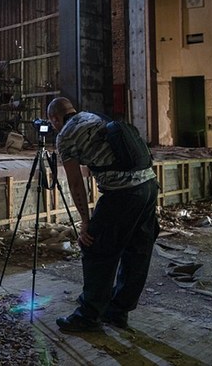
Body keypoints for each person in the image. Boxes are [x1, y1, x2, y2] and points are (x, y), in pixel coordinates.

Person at [46, 96, 159, 331]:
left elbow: (76, 184)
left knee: (95, 247)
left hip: (122, 193)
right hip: (148, 186)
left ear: (54, 119)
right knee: (137, 251)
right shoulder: (93, 116)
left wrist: (85, 222)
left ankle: (88, 316)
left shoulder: (64, 136)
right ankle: (118, 311)